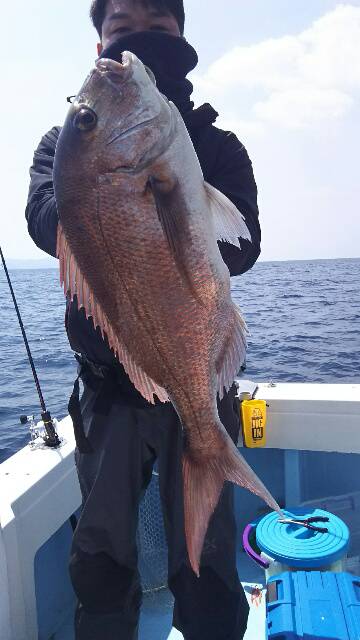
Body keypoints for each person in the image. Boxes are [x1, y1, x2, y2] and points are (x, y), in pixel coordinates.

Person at [26, 1, 261, 638]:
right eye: (121, 25)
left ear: (182, 36)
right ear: (98, 40)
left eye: (157, 24)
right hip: (107, 389)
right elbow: (46, 219)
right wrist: (109, 198)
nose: (139, 39)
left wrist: (174, 192)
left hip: (200, 383)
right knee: (101, 556)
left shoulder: (213, 144)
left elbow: (244, 245)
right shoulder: (64, 146)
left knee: (206, 562)